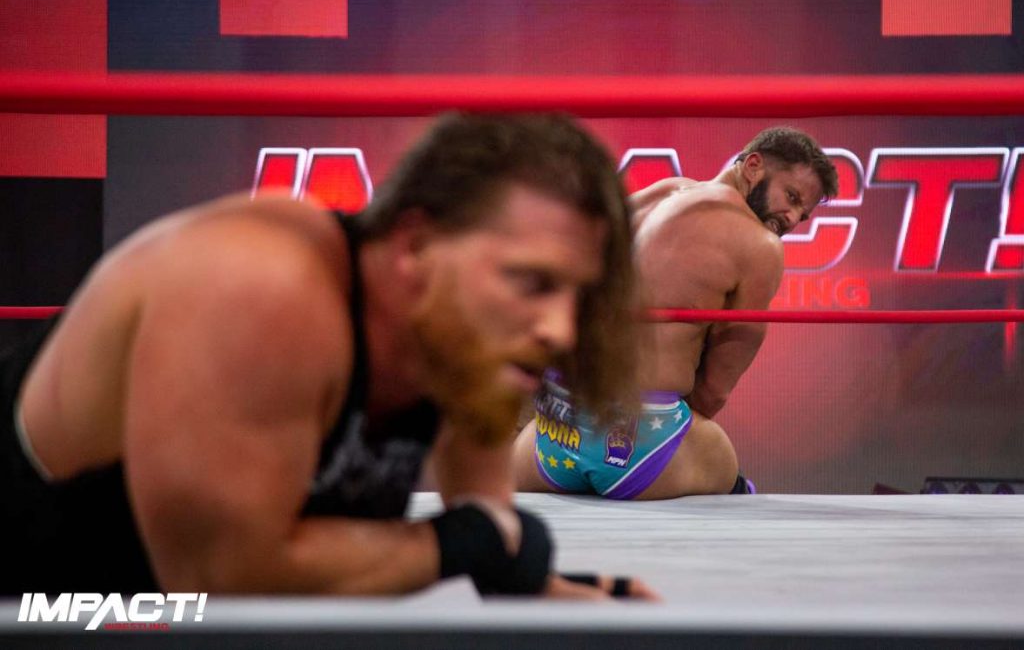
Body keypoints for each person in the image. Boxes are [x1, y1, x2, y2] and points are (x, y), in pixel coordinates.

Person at [2, 113, 651, 599]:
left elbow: (489, 522)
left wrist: (555, 593)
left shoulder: (466, 340)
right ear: (414, 246)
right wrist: (457, 543)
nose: (561, 329)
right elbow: (223, 582)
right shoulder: (261, 287)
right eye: (532, 281)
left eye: (577, 295)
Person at [513, 126, 838, 500]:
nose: (793, 218)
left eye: (803, 214)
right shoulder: (760, 245)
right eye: (791, 196)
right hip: (639, 445)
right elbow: (714, 391)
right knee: (730, 475)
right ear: (753, 166)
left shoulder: (661, 193)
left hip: (555, 430)